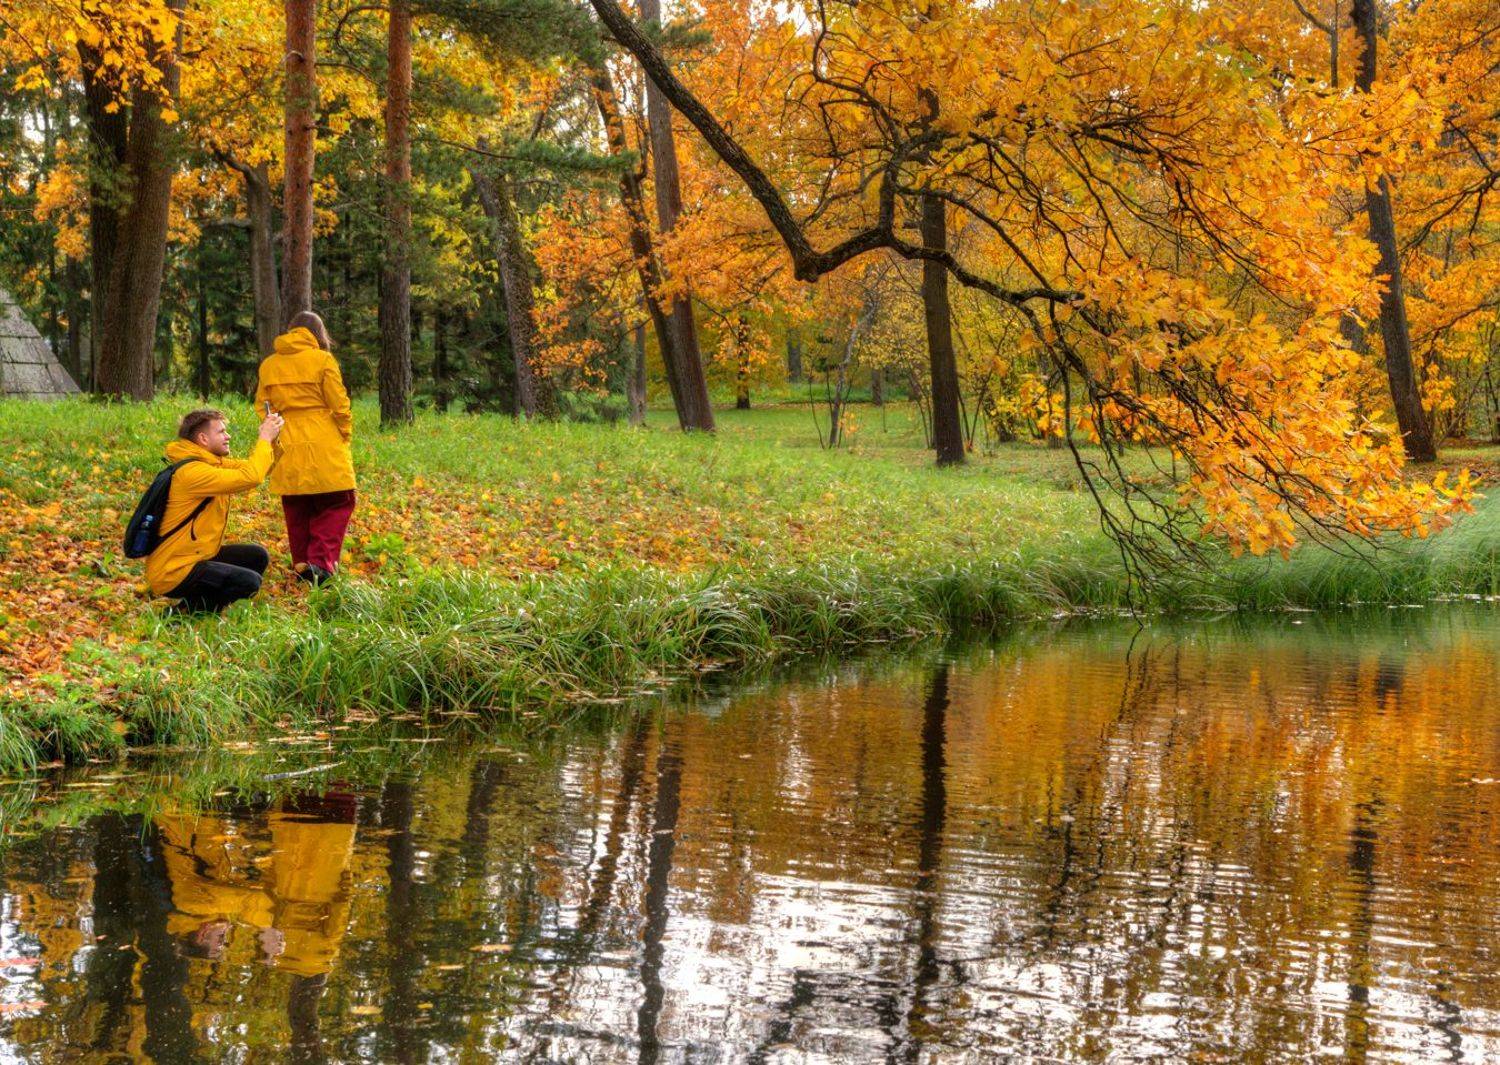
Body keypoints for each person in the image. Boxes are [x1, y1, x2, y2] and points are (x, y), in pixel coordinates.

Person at [145, 407, 284, 612]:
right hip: (173, 571)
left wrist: (272, 440)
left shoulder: (211, 463)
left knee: (256, 557)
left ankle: (201, 605)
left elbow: (259, 468)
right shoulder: (193, 472)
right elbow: (251, 477)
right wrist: (263, 438)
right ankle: (182, 613)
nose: (228, 436)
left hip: (194, 557)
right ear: (203, 438)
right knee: (248, 582)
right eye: (221, 432)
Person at [255, 311, 356, 585]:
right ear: (319, 334)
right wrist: (344, 432)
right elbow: (339, 403)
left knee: (297, 504)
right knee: (338, 501)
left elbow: (263, 406)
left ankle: (302, 565)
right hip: (324, 439)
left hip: (287, 438)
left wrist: (274, 434)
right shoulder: (323, 359)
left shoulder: (269, 365)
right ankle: (320, 563)